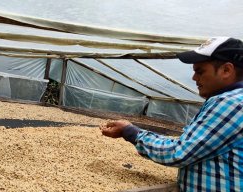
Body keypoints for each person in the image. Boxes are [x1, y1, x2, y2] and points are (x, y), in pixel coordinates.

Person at [100, 37, 243, 192]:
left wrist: (130, 131)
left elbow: (179, 152)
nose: (194, 78)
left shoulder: (231, 103)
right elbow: (192, 143)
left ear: (226, 70)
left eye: (200, 71)